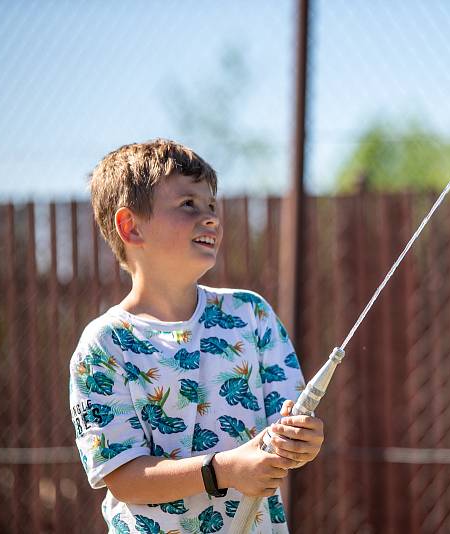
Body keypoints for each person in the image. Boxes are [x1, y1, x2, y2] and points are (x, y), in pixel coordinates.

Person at [68, 139, 324, 533]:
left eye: (212, 206)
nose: (211, 219)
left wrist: (301, 441)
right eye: (188, 204)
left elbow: (286, 424)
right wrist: (223, 471)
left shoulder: (251, 315)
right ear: (131, 227)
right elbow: (123, 476)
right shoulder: (105, 345)